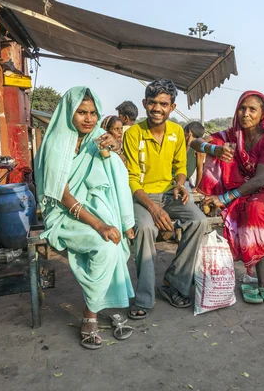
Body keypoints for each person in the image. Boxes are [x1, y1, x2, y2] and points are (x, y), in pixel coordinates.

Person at [34, 87, 135, 350]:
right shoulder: (58, 141)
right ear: (70, 112)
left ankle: (105, 303)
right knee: (104, 245)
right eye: (81, 112)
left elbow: (118, 174)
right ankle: (91, 315)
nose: (88, 118)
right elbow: (62, 195)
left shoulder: (98, 136)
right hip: (63, 213)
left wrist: (116, 150)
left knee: (115, 242)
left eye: (92, 113)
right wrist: (100, 224)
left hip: (93, 208)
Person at [192, 91, 264, 304]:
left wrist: (224, 198)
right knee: (246, 207)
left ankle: (257, 273)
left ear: (263, 113)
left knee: (252, 208)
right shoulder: (233, 135)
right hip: (242, 191)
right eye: (242, 108)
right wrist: (214, 149)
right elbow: (196, 143)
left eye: (252, 109)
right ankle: (254, 274)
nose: (246, 114)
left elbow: (260, 180)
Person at [123, 79, 208, 319]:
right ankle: (144, 297)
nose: (157, 108)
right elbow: (131, 179)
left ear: (172, 107)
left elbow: (180, 166)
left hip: (170, 194)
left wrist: (180, 185)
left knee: (199, 221)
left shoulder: (176, 132)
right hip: (141, 196)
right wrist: (153, 209)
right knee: (145, 228)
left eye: (163, 103)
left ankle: (174, 284)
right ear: (144, 104)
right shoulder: (134, 134)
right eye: (152, 103)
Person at [183, 121, 206, 192]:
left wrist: (196, 187)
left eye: (184, 132)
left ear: (189, 132)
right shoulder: (183, 144)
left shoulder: (198, 148)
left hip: (185, 182)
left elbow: (200, 169)